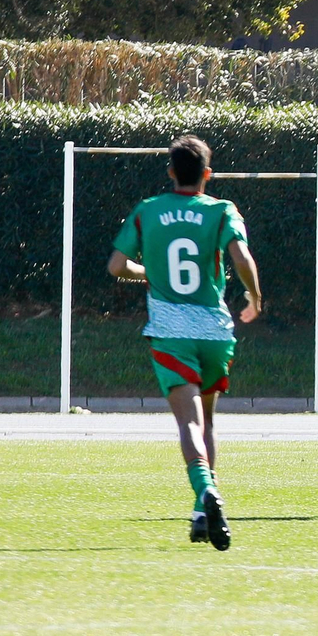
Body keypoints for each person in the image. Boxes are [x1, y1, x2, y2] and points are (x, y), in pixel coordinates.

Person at [108, 135, 262, 551]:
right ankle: (200, 509)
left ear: (172, 171)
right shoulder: (222, 210)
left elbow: (116, 266)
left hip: (171, 331)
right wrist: (254, 296)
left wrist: (150, 273)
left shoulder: (148, 210)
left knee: (187, 422)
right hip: (214, 330)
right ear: (207, 174)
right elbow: (241, 257)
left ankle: (206, 490)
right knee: (208, 420)